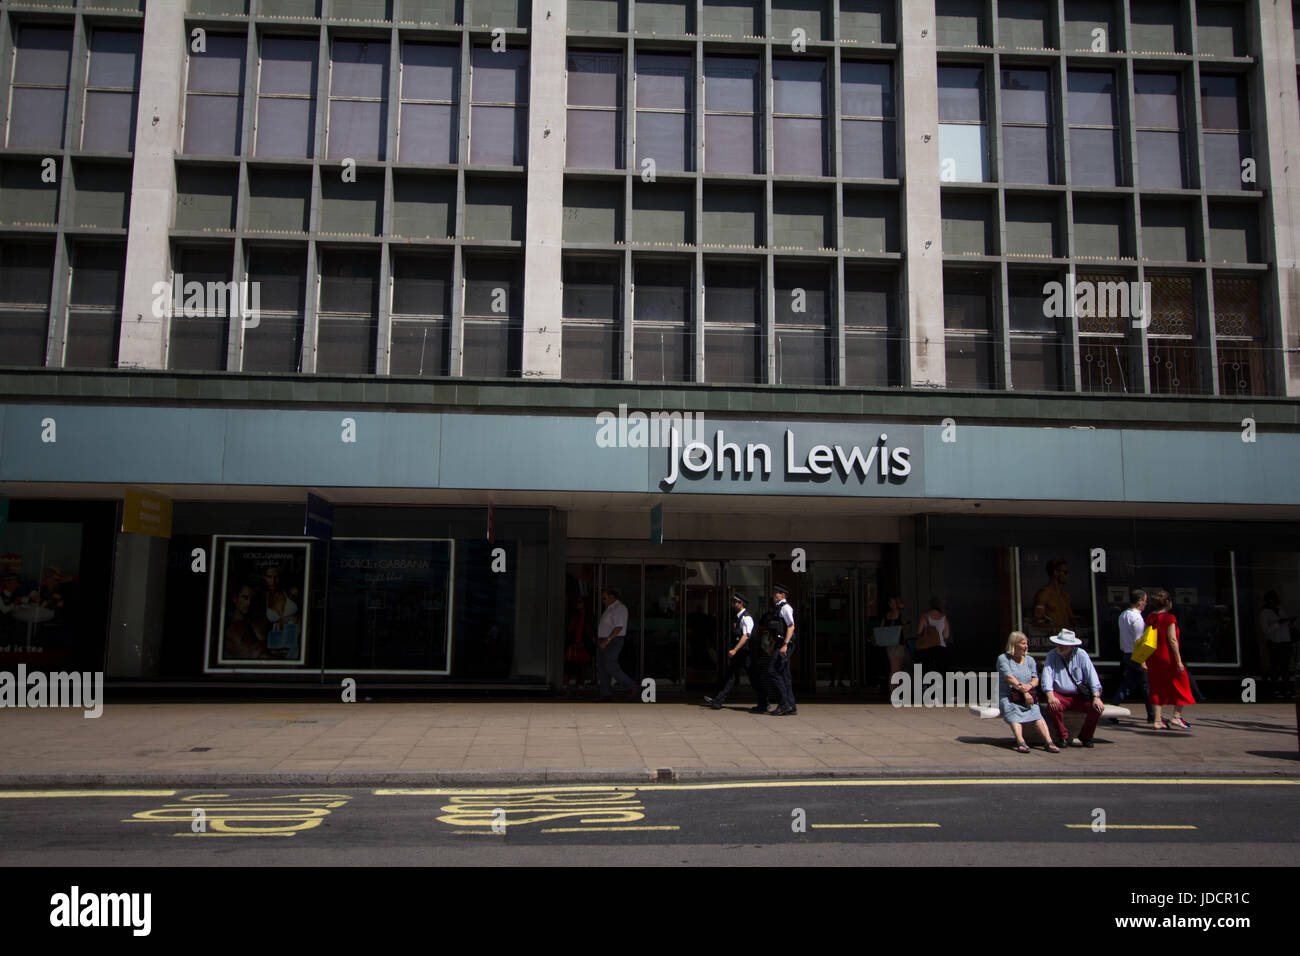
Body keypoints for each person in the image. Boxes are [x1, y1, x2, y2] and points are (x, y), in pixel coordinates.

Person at [1041, 629, 1105, 747]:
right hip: (1060, 694)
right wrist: (1050, 695)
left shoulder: (1081, 654)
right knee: (1053, 706)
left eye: (1063, 645)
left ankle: (1086, 736)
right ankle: (1062, 736)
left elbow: (1092, 675)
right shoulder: (1052, 654)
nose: (1060, 646)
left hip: (1079, 695)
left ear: (1071, 646)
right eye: (1059, 644)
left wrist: (1096, 696)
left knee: (1097, 708)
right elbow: (1047, 675)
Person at [997, 631, 1059, 753]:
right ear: (1014, 645)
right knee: (1013, 712)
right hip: (1009, 696)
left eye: (1026, 643)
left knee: (1036, 712)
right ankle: (1021, 741)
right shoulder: (1003, 659)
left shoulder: (1030, 660)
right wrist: (1024, 691)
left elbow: (1035, 678)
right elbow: (1009, 678)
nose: (1026, 646)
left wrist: (1029, 686)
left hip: (1028, 695)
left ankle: (1048, 741)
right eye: (1023, 643)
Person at [1144, 589, 1195, 728]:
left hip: (1153, 657)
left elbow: (1145, 637)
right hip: (1168, 657)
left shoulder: (1151, 617)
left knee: (1156, 687)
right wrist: (1178, 660)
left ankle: (1157, 720)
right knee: (1183, 683)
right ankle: (1176, 717)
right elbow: (1172, 640)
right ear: (1167, 602)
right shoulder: (1169, 618)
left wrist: (1143, 659)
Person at [704, 593, 758, 710]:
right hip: (739, 653)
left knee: (753, 678)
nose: (733, 604)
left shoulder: (746, 618)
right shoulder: (737, 617)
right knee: (730, 676)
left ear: (741, 603)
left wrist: (735, 649)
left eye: (735, 602)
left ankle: (763, 702)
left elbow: (746, 636)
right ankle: (718, 700)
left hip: (745, 653)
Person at [1110, 589, 1154, 724]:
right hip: (1136, 655)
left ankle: (1113, 709)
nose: (1146, 603)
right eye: (1145, 601)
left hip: (1127, 654)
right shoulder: (1137, 617)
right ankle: (1152, 715)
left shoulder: (1123, 615)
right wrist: (1142, 660)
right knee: (1146, 686)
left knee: (1128, 684)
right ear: (1140, 601)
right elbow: (1138, 640)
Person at [596, 587, 636, 701]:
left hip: (613, 640)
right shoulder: (610, 608)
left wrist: (607, 640)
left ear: (612, 597)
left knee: (609, 665)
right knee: (602, 667)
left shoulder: (619, 608)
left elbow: (619, 627)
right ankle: (605, 693)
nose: (602, 600)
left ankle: (630, 685)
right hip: (605, 640)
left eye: (604, 597)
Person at [766, 584, 797, 716]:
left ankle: (784, 704)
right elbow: (776, 630)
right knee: (785, 675)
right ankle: (791, 705)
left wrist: (785, 644)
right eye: (773, 594)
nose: (774, 596)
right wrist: (772, 646)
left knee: (773, 671)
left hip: (784, 645)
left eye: (776, 594)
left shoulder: (785, 608)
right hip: (779, 643)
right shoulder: (777, 609)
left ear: (783, 595)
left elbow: (791, 627)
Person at [1259, 591, 1296, 700]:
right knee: (1275, 666)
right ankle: (1274, 689)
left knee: (1285, 667)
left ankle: (1286, 689)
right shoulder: (1264, 612)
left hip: (1285, 641)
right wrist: (1278, 623)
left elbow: (1285, 623)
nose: (1276, 601)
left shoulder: (1280, 608)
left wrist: (1289, 621)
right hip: (1274, 642)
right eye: (1273, 599)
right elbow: (1265, 630)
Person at [1032, 558, 1077, 635]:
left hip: (1068, 639)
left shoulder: (1065, 595)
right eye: (1065, 572)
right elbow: (1037, 621)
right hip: (1054, 639)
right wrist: (1052, 630)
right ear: (1056, 572)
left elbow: (1071, 618)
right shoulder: (1044, 594)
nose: (1067, 575)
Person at [914, 597, 950, 685]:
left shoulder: (925, 616)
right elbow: (946, 635)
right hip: (940, 647)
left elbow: (919, 632)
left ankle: (927, 688)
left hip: (926, 648)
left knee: (926, 668)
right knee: (941, 669)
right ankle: (940, 689)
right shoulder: (944, 617)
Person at [563, 596, 593, 694]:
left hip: (583, 645)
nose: (578, 604)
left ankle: (580, 687)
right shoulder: (574, 615)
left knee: (581, 666)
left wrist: (586, 643)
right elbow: (569, 629)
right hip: (573, 644)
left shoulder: (588, 616)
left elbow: (590, 632)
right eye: (577, 602)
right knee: (569, 665)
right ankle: (566, 686)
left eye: (580, 602)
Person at [877, 596, 910, 684]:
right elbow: (906, 626)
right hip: (896, 644)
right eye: (892, 602)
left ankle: (894, 691)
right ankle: (893, 692)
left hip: (893, 643)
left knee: (897, 668)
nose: (894, 604)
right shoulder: (898, 614)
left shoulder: (888, 615)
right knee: (896, 669)